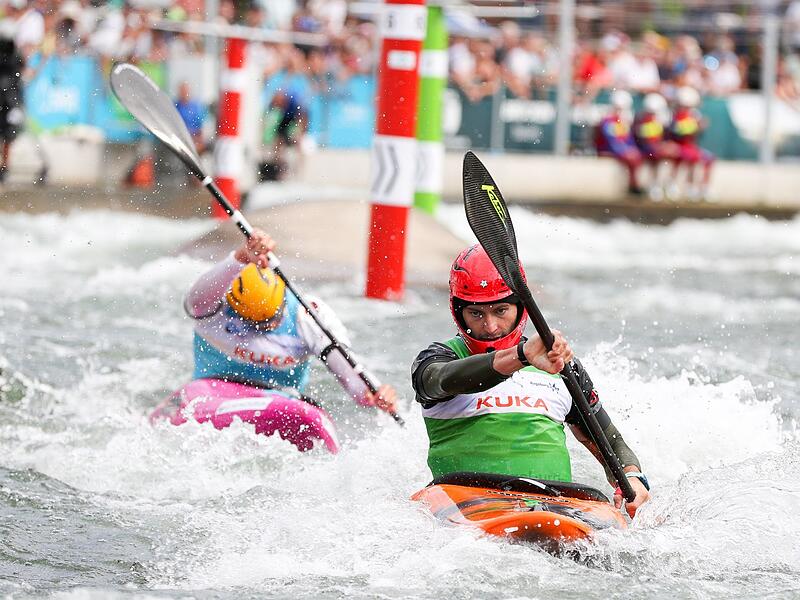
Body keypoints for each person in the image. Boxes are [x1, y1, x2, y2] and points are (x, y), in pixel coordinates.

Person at [411, 245, 651, 517]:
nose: (490, 326)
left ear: (520, 307)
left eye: (500, 311)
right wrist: (521, 356)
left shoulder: (560, 365)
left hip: (558, 506)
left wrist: (633, 477)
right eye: (477, 314)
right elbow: (444, 380)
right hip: (465, 500)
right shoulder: (437, 361)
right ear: (458, 311)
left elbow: (609, 440)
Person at [184, 228, 398, 436]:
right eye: (253, 323)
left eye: (269, 321)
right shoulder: (212, 306)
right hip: (212, 394)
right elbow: (193, 300)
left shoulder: (308, 316)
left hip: (281, 401)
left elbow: (347, 369)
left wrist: (372, 392)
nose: (262, 329)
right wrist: (241, 257)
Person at [668, 86, 714, 201]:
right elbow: (677, 132)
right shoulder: (675, 115)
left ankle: (703, 187)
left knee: (709, 158)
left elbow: (695, 135)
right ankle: (676, 186)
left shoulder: (694, 115)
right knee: (690, 158)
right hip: (679, 146)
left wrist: (699, 127)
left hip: (690, 147)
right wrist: (697, 126)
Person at [595, 89, 644, 196]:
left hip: (619, 150)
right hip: (607, 150)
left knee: (636, 156)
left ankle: (634, 185)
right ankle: (634, 185)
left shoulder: (622, 122)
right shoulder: (607, 121)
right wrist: (626, 151)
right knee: (632, 158)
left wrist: (631, 149)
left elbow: (628, 140)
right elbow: (611, 142)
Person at [634, 92, 678, 201]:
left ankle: (669, 182)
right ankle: (654, 184)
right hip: (645, 149)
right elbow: (645, 140)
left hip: (656, 147)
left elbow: (667, 136)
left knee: (676, 153)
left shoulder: (662, 119)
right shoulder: (642, 120)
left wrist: (666, 145)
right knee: (656, 155)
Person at [0, 33, 24, 184]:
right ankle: (4, 167)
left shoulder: (14, 60)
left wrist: (16, 106)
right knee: (7, 138)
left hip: (9, 104)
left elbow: (16, 84)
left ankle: (4, 168)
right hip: (7, 102)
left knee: (8, 138)